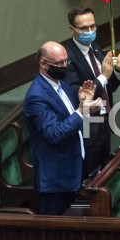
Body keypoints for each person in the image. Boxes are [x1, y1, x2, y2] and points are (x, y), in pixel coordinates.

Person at [23, 41, 100, 215]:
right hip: (56, 182)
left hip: (74, 172)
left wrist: (83, 103)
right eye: (59, 63)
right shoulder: (37, 96)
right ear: (44, 64)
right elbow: (55, 133)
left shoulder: (62, 85)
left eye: (66, 62)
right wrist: (81, 111)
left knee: (76, 225)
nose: (64, 66)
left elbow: (70, 120)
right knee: (56, 235)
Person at [63, 5, 120, 179]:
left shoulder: (96, 48)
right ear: (72, 29)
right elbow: (76, 92)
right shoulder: (68, 57)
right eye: (84, 28)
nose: (90, 31)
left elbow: (109, 87)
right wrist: (104, 75)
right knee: (89, 173)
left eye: (93, 26)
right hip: (87, 125)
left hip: (104, 119)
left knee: (104, 170)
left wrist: (117, 71)